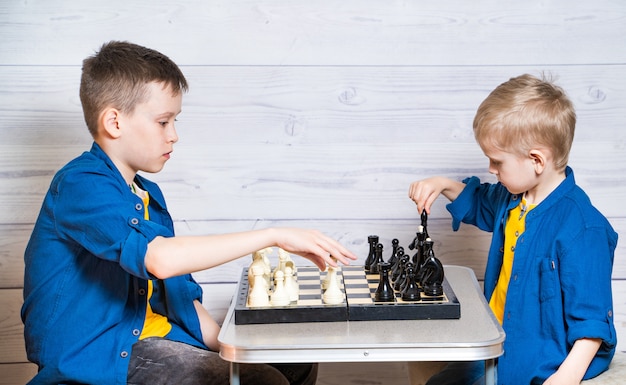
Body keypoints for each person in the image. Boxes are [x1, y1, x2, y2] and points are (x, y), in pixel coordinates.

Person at [21, 41, 357, 385]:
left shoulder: (148, 194)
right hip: (101, 357)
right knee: (263, 382)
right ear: (114, 122)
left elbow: (177, 291)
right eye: (163, 122)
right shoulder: (81, 184)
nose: (175, 136)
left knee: (294, 364)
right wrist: (273, 236)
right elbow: (161, 260)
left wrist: (231, 346)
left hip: (159, 341)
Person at [408, 74, 617, 384]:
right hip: (500, 345)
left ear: (536, 160)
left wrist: (567, 377)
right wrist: (441, 185)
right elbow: (478, 202)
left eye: (497, 162)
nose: (491, 170)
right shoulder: (513, 198)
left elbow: (591, 320)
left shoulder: (583, 228)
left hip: (546, 359)